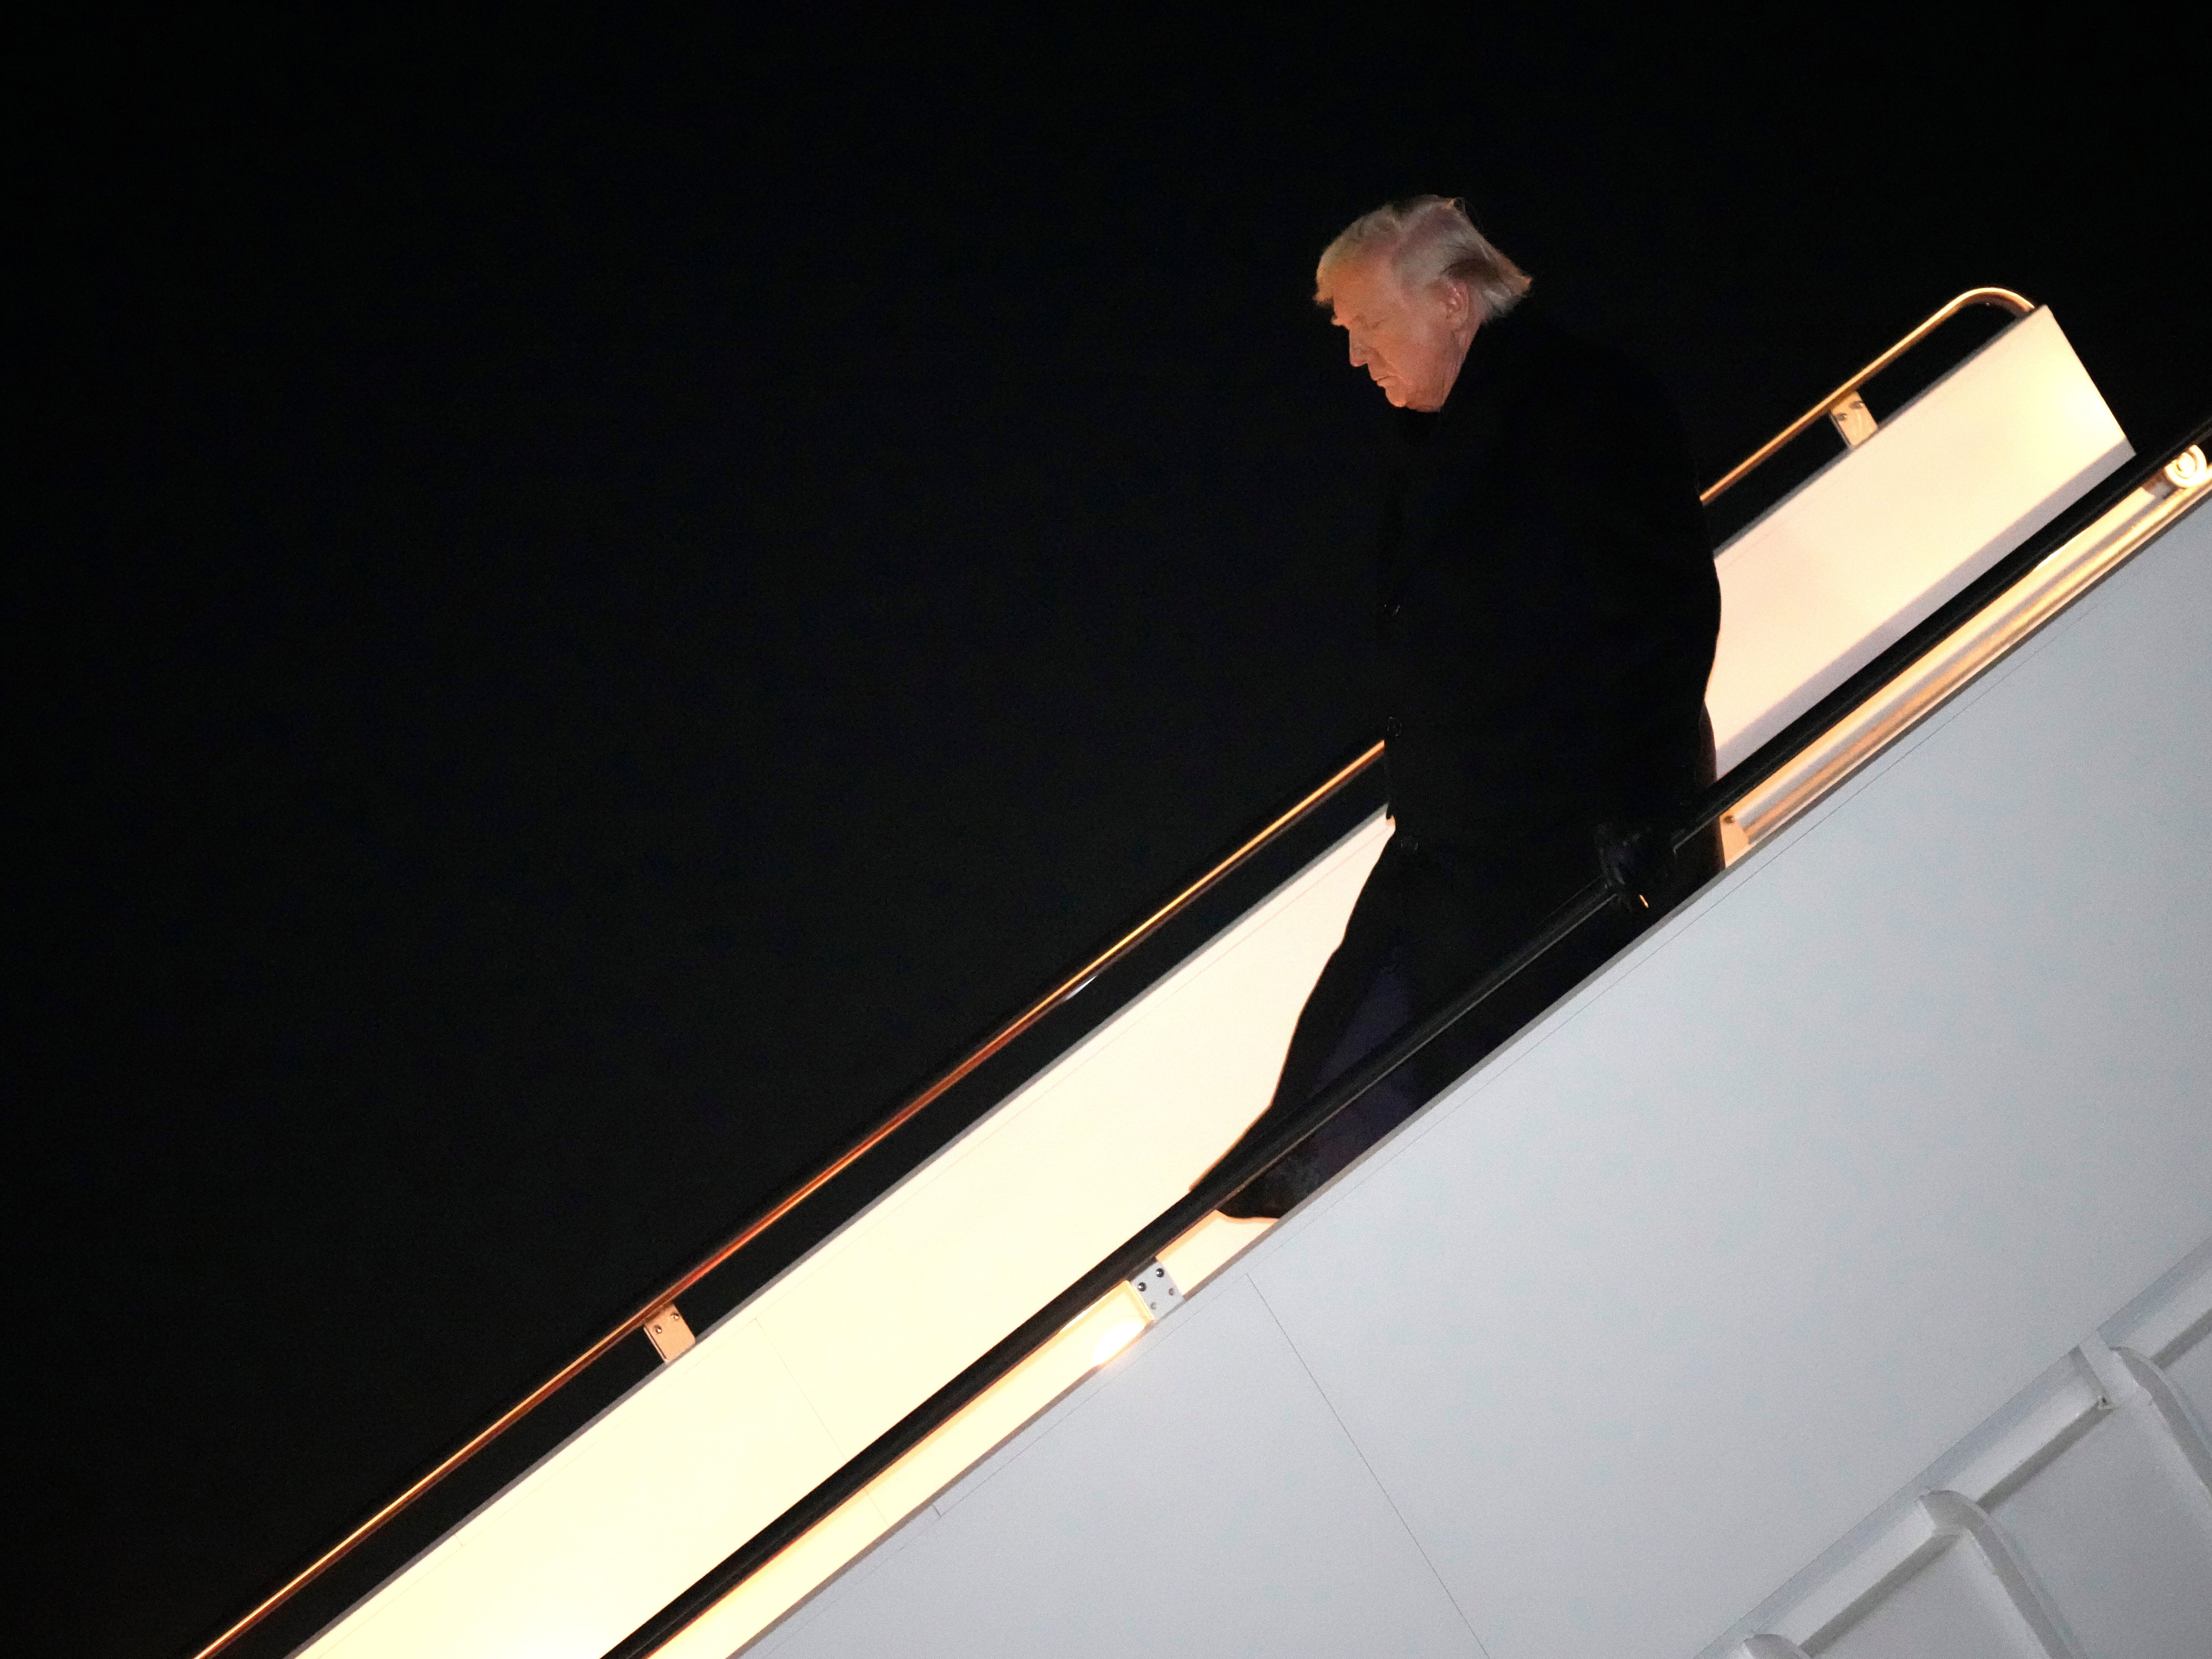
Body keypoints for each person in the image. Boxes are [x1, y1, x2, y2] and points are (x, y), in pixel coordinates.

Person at [1207, 196, 1722, 1219]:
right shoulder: (1445, 439)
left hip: (1561, 844)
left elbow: (1664, 605)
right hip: (1467, 846)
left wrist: (1647, 809)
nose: (1355, 358)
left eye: (1367, 326)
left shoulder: (1580, 403)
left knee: (1456, 1095)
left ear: (1450, 302)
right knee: (1359, 1078)